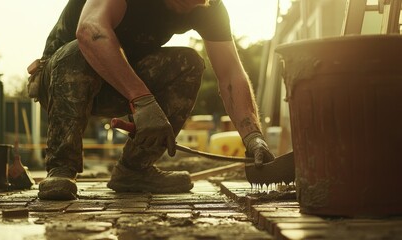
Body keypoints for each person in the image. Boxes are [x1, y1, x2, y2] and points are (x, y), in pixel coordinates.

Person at [27, 0, 275, 200]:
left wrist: (253, 137)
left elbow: (231, 74)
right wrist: (142, 99)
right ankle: (61, 168)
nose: (196, 4)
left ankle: (134, 170)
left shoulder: (206, 6)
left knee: (188, 64)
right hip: (63, 81)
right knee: (79, 50)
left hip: (121, 82)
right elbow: (90, 31)